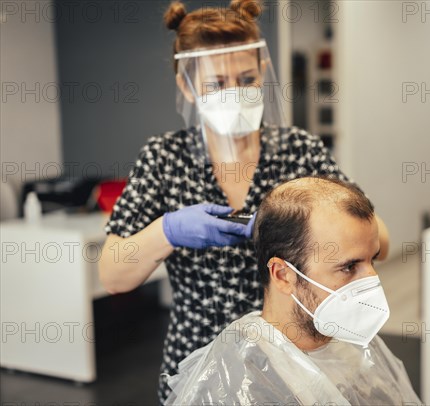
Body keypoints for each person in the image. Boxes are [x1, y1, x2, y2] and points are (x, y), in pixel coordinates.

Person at [97, 1, 390, 403]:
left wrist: (313, 230)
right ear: (186, 86)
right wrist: (167, 230)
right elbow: (113, 276)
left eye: (247, 78)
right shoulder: (164, 158)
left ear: (263, 72)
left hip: (295, 366)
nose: (234, 94)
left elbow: (380, 241)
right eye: (217, 84)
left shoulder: (298, 151)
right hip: (199, 366)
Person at [163, 177, 421, 405]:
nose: (372, 280)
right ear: (283, 275)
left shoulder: (356, 343)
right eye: (349, 266)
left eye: (372, 260)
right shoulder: (235, 382)